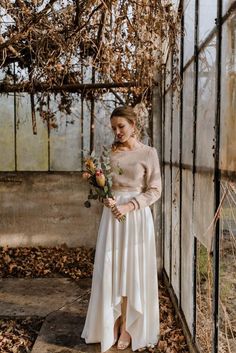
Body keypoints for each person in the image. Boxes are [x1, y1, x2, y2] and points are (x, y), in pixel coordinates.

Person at [81, 105, 162, 352]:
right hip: (111, 218)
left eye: (121, 126)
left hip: (136, 219)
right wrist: (105, 197)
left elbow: (155, 189)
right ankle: (111, 323)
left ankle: (128, 326)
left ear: (133, 125)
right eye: (114, 127)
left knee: (131, 271)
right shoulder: (107, 153)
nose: (117, 131)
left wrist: (130, 206)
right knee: (111, 269)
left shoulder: (148, 153)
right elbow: (102, 183)